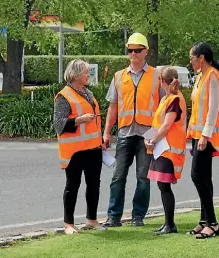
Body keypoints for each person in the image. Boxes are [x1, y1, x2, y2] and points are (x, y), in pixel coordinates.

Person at [102, 32, 164, 227]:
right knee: (118, 177)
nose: (133, 54)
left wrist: (157, 134)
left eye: (137, 50)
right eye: (130, 50)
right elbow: (113, 106)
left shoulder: (156, 76)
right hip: (125, 133)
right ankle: (113, 217)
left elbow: (164, 105)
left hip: (147, 133)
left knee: (143, 178)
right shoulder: (119, 76)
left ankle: (138, 217)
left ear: (146, 52)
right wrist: (106, 132)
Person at [53, 59, 107, 234]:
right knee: (72, 186)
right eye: (85, 72)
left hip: (93, 148)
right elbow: (58, 124)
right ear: (75, 75)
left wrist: (102, 140)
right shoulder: (64, 96)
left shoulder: (88, 94)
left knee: (94, 185)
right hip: (75, 151)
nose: (88, 75)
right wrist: (79, 120)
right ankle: (69, 224)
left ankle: (92, 220)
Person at [187, 42, 219, 239]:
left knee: (197, 176)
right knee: (204, 177)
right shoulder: (201, 77)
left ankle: (212, 223)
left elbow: (213, 109)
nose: (190, 61)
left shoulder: (212, 75)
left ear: (201, 57)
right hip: (198, 135)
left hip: (206, 136)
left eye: (192, 57)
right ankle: (205, 220)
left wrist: (205, 135)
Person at [145, 66, 187, 235]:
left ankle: (170, 224)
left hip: (167, 149)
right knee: (163, 187)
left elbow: (167, 125)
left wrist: (153, 140)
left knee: (164, 187)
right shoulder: (168, 99)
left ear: (162, 81)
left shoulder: (174, 100)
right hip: (163, 148)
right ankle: (167, 223)